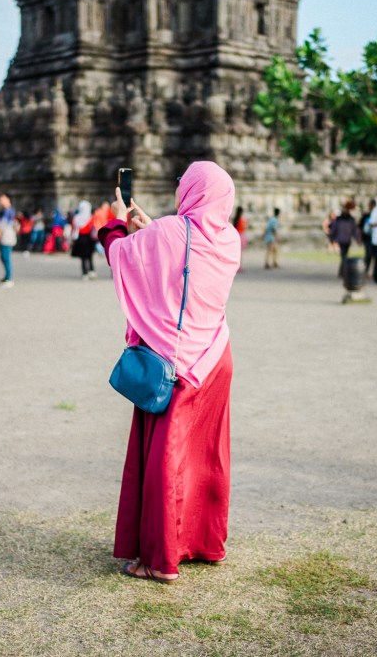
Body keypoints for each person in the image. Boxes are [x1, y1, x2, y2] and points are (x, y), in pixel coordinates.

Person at [98, 160, 239, 584]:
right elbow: (182, 262)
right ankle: (204, 542)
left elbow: (118, 254)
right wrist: (151, 229)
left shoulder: (169, 233)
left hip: (175, 364)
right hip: (214, 357)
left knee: (166, 459)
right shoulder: (230, 239)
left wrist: (117, 223)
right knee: (206, 456)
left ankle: (159, 559)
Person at [331, 199, 360, 278]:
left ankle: (342, 272)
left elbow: (354, 230)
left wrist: (357, 238)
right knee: (344, 256)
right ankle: (343, 272)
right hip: (341, 239)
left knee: (344, 256)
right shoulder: (339, 219)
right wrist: (332, 238)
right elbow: (334, 229)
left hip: (347, 240)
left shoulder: (350, 219)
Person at [70, 200, 97, 279]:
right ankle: (91, 271)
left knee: (83, 257)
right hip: (89, 239)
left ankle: (84, 273)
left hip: (80, 239)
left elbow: (74, 229)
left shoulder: (76, 218)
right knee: (90, 256)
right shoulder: (91, 217)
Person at [0, 193, 18, 287]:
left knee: (6, 257)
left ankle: (9, 278)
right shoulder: (6, 210)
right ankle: (6, 276)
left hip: (6, 235)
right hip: (6, 235)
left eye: (3, 199)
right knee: (3, 256)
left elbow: (3, 225)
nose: (1, 201)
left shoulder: (8, 211)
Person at [360, 199, 376, 276]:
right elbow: (360, 227)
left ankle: (374, 272)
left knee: (376, 256)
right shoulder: (366, 216)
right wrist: (360, 237)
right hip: (367, 238)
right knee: (368, 255)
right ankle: (366, 271)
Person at [231, 205, 248, 272]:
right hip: (241, 236)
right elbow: (244, 228)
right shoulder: (242, 220)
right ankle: (239, 266)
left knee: (235, 253)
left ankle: (234, 266)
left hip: (235, 235)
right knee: (240, 253)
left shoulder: (234, 219)